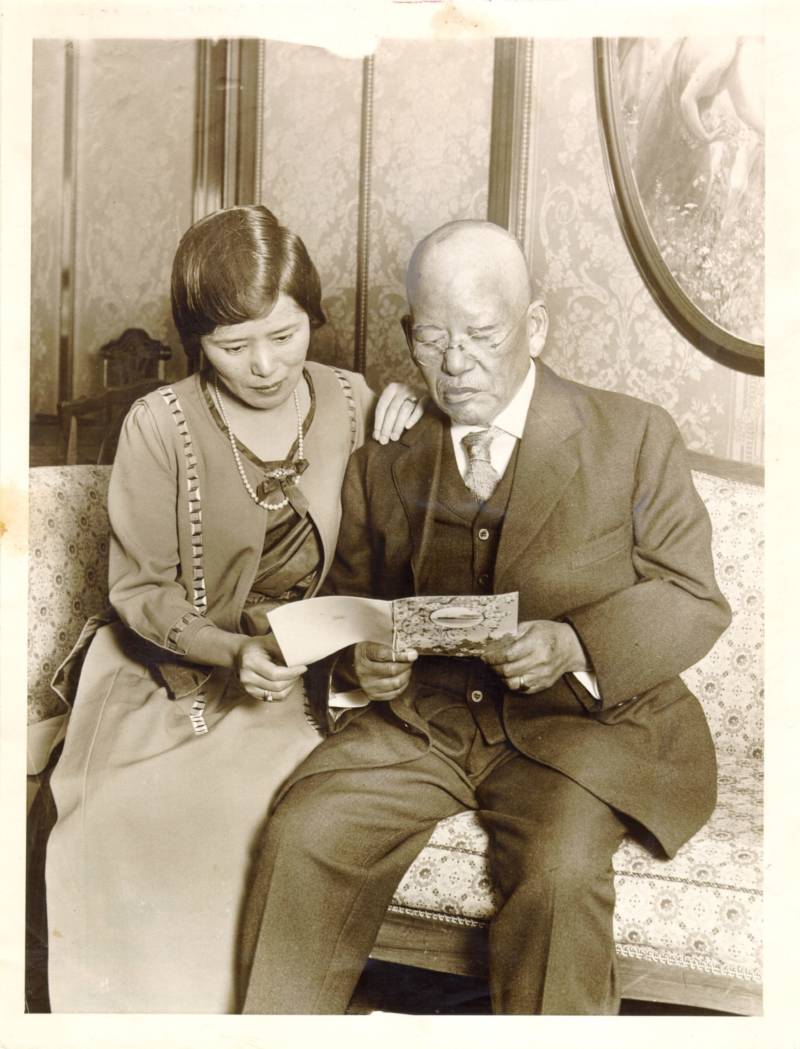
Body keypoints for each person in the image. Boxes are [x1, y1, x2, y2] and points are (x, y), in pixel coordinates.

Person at [238, 219, 732, 1015]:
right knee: (304, 831)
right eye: (432, 338)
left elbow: (694, 595)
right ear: (410, 334)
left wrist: (575, 641)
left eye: (481, 334)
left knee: (561, 873)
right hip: (419, 724)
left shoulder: (634, 435)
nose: (455, 361)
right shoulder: (383, 458)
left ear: (532, 327)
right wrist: (362, 665)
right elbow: (350, 604)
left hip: (576, 732)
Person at [43, 204, 423, 1013]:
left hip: (309, 671)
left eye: (285, 335)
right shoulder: (161, 422)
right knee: (132, 821)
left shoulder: (353, 400)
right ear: (195, 339)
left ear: (311, 315)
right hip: (177, 665)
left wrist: (419, 405)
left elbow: (431, 501)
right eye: (232, 344)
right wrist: (228, 653)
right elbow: (141, 590)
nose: (264, 366)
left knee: (281, 805)